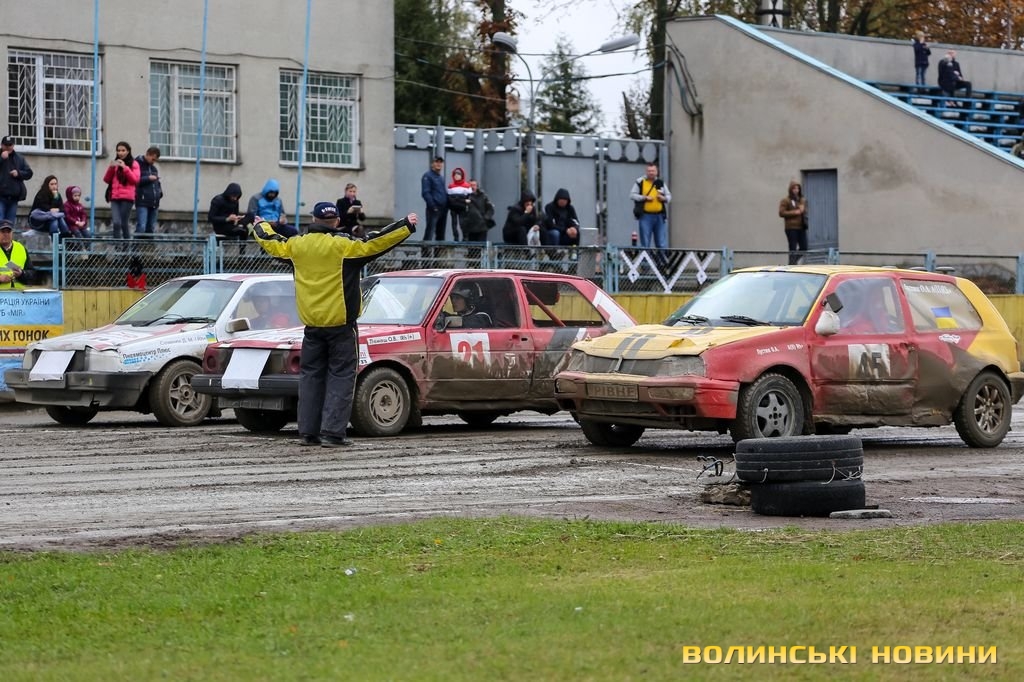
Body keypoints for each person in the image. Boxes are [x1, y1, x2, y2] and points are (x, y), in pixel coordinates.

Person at [249, 202, 418, 448]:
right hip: (341, 327)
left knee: (310, 378)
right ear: (337, 222)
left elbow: (271, 241)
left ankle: (308, 433)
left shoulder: (296, 246)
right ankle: (332, 433)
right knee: (341, 377)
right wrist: (405, 225)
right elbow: (376, 242)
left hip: (312, 328)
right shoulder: (344, 246)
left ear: (313, 219)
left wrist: (260, 225)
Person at [103, 141, 140, 240]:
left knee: (124, 223)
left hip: (127, 198)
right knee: (116, 223)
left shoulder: (134, 163)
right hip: (115, 197)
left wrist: (125, 168)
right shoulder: (115, 163)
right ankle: (117, 247)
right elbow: (106, 180)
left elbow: (135, 180)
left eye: (123, 150)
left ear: (128, 151)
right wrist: (111, 168)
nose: (120, 153)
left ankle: (126, 247)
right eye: (118, 150)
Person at [630, 163, 671, 250]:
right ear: (646, 172)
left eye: (653, 171)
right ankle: (646, 258)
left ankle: (661, 258)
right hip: (645, 216)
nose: (651, 173)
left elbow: (669, 196)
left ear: (657, 172)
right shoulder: (640, 182)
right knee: (645, 242)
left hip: (659, 216)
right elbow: (632, 195)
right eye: (649, 171)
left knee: (661, 242)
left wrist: (663, 198)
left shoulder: (660, 182)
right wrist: (644, 198)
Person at [0, 135, 34, 224]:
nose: (8, 147)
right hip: (1, 197)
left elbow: (29, 173)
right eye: (6, 145)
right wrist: (1, 159)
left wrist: (18, 173)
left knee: (10, 225)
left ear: (13, 145)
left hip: (13, 198)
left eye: (10, 145)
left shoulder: (19, 158)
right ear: (2, 145)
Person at [0, 219, 40, 289]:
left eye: (8, 231)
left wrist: (21, 274)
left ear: (12, 233)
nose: (6, 234)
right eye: (3, 231)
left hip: (18, 294)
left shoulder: (21, 248)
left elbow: (32, 274)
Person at [134, 146, 162, 237]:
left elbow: (157, 183)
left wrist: (160, 192)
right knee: (141, 227)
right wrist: (148, 178)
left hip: (154, 202)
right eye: (153, 159)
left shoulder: (154, 169)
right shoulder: (137, 165)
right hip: (142, 201)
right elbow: (134, 180)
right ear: (148, 154)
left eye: (155, 160)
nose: (153, 162)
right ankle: (136, 245)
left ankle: (149, 245)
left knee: (151, 228)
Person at [779, 179, 807, 265]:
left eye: (798, 188)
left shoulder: (801, 200)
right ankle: (792, 263)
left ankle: (793, 261)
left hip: (801, 227)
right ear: (791, 189)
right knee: (792, 247)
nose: (796, 190)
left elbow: (804, 211)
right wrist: (794, 212)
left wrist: (803, 209)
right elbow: (781, 212)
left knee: (804, 247)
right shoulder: (786, 200)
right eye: (794, 188)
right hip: (791, 227)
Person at [421, 156, 448, 242]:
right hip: (434, 209)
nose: (439, 164)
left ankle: (439, 250)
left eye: (440, 162)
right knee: (430, 232)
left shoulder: (441, 178)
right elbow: (426, 193)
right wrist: (433, 206)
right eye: (436, 162)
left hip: (443, 209)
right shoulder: (427, 176)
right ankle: (426, 250)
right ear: (432, 164)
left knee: (441, 234)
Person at [446, 166, 472, 241]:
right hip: (453, 208)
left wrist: (458, 199)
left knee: (462, 223)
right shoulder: (451, 186)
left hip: (462, 208)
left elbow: (470, 198)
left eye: (458, 174)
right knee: (454, 224)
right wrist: (462, 199)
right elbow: (449, 198)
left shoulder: (467, 186)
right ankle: (456, 238)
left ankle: (465, 237)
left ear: (462, 175)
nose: (456, 176)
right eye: (455, 174)